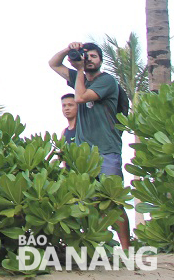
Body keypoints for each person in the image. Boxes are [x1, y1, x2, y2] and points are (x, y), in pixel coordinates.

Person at [49, 41, 129, 248]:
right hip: (85, 155)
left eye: (93, 56)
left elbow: (81, 97)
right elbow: (53, 63)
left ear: (101, 60)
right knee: (87, 202)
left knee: (113, 202)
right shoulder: (79, 78)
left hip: (107, 150)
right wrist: (68, 49)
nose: (89, 59)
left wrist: (80, 70)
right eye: (85, 56)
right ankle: (96, 247)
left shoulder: (107, 81)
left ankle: (127, 250)